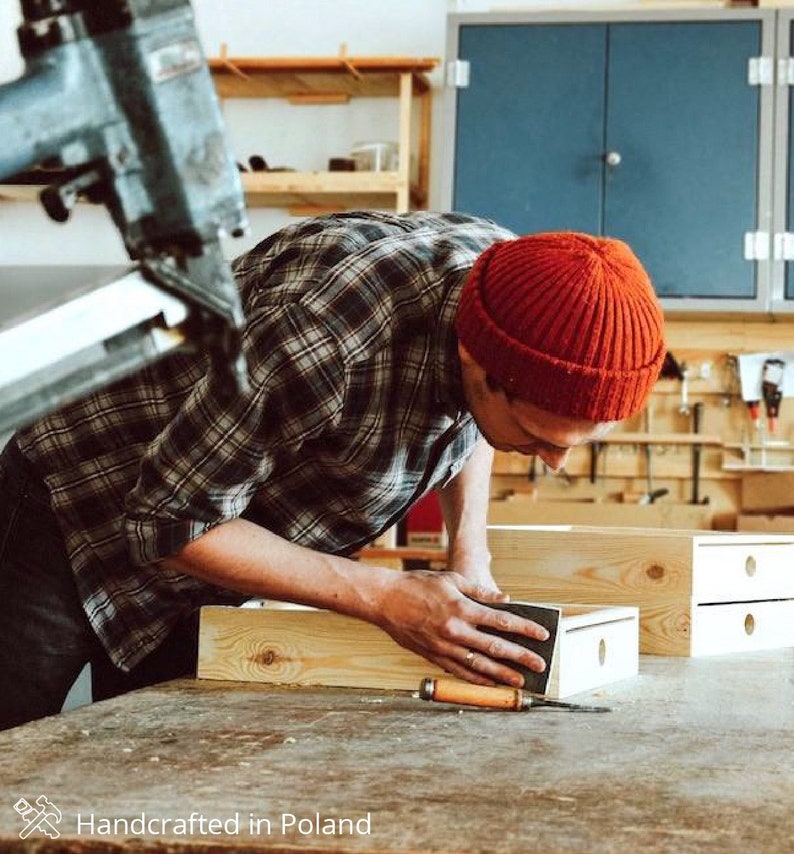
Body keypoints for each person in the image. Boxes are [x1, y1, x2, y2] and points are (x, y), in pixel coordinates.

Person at [0, 211, 665, 730]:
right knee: (16, 758)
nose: (555, 461)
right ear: (475, 359)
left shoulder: (512, 290)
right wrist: (384, 597)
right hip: (77, 505)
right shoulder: (325, 334)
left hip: (217, 550)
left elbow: (479, 422)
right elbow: (170, 521)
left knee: (151, 777)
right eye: (538, 436)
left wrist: (469, 550)